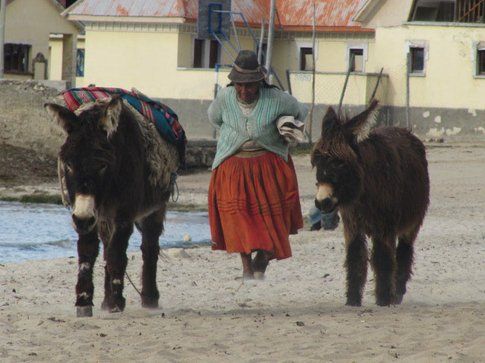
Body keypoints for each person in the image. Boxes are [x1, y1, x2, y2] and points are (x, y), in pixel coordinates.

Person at [208, 50, 308, 280]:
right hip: (233, 165)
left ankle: (262, 257)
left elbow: (300, 110)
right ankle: (246, 269)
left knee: (270, 218)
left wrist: (286, 124)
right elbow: (214, 118)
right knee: (239, 217)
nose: (244, 91)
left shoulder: (276, 98)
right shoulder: (225, 97)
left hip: (268, 166)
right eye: (240, 85)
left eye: (250, 85)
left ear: (260, 82)